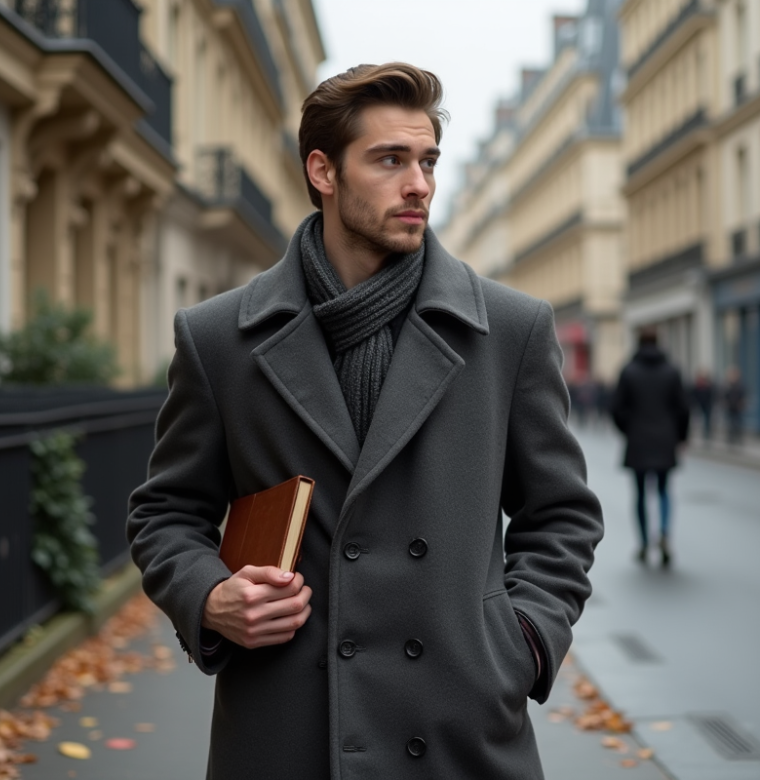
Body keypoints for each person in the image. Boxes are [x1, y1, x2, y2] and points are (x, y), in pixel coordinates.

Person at [127, 64, 604, 779]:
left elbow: (561, 514)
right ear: (323, 170)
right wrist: (210, 597)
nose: (420, 185)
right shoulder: (222, 337)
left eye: (428, 161)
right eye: (390, 160)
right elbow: (165, 512)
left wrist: (522, 641)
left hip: (459, 728)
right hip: (288, 730)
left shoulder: (508, 330)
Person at [611, 330, 690, 567]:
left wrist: (629, 430)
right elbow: (683, 409)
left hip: (638, 440)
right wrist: (680, 437)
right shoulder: (672, 371)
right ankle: (664, 532)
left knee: (640, 495)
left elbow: (616, 408)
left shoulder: (628, 371)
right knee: (665, 490)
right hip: (666, 440)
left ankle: (644, 542)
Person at [690, 370, 716, 444]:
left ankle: (706, 434)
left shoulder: (709, 386)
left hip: (707, 405)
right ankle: (697, 434)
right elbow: (693, 395)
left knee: (707, 421)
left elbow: (712, 395)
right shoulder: (696, 386)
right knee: (696, 420)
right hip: (699, 405)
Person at [723, 367, 746, 447]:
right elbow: (723, 396)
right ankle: (730, 439)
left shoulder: (740, 385)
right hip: (729, 407)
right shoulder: (727, 385)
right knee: (730, 424)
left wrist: (741, 403)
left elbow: (743, 395)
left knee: (738, 424)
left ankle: (739, 439)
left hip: (737, 407)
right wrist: (725, 403)